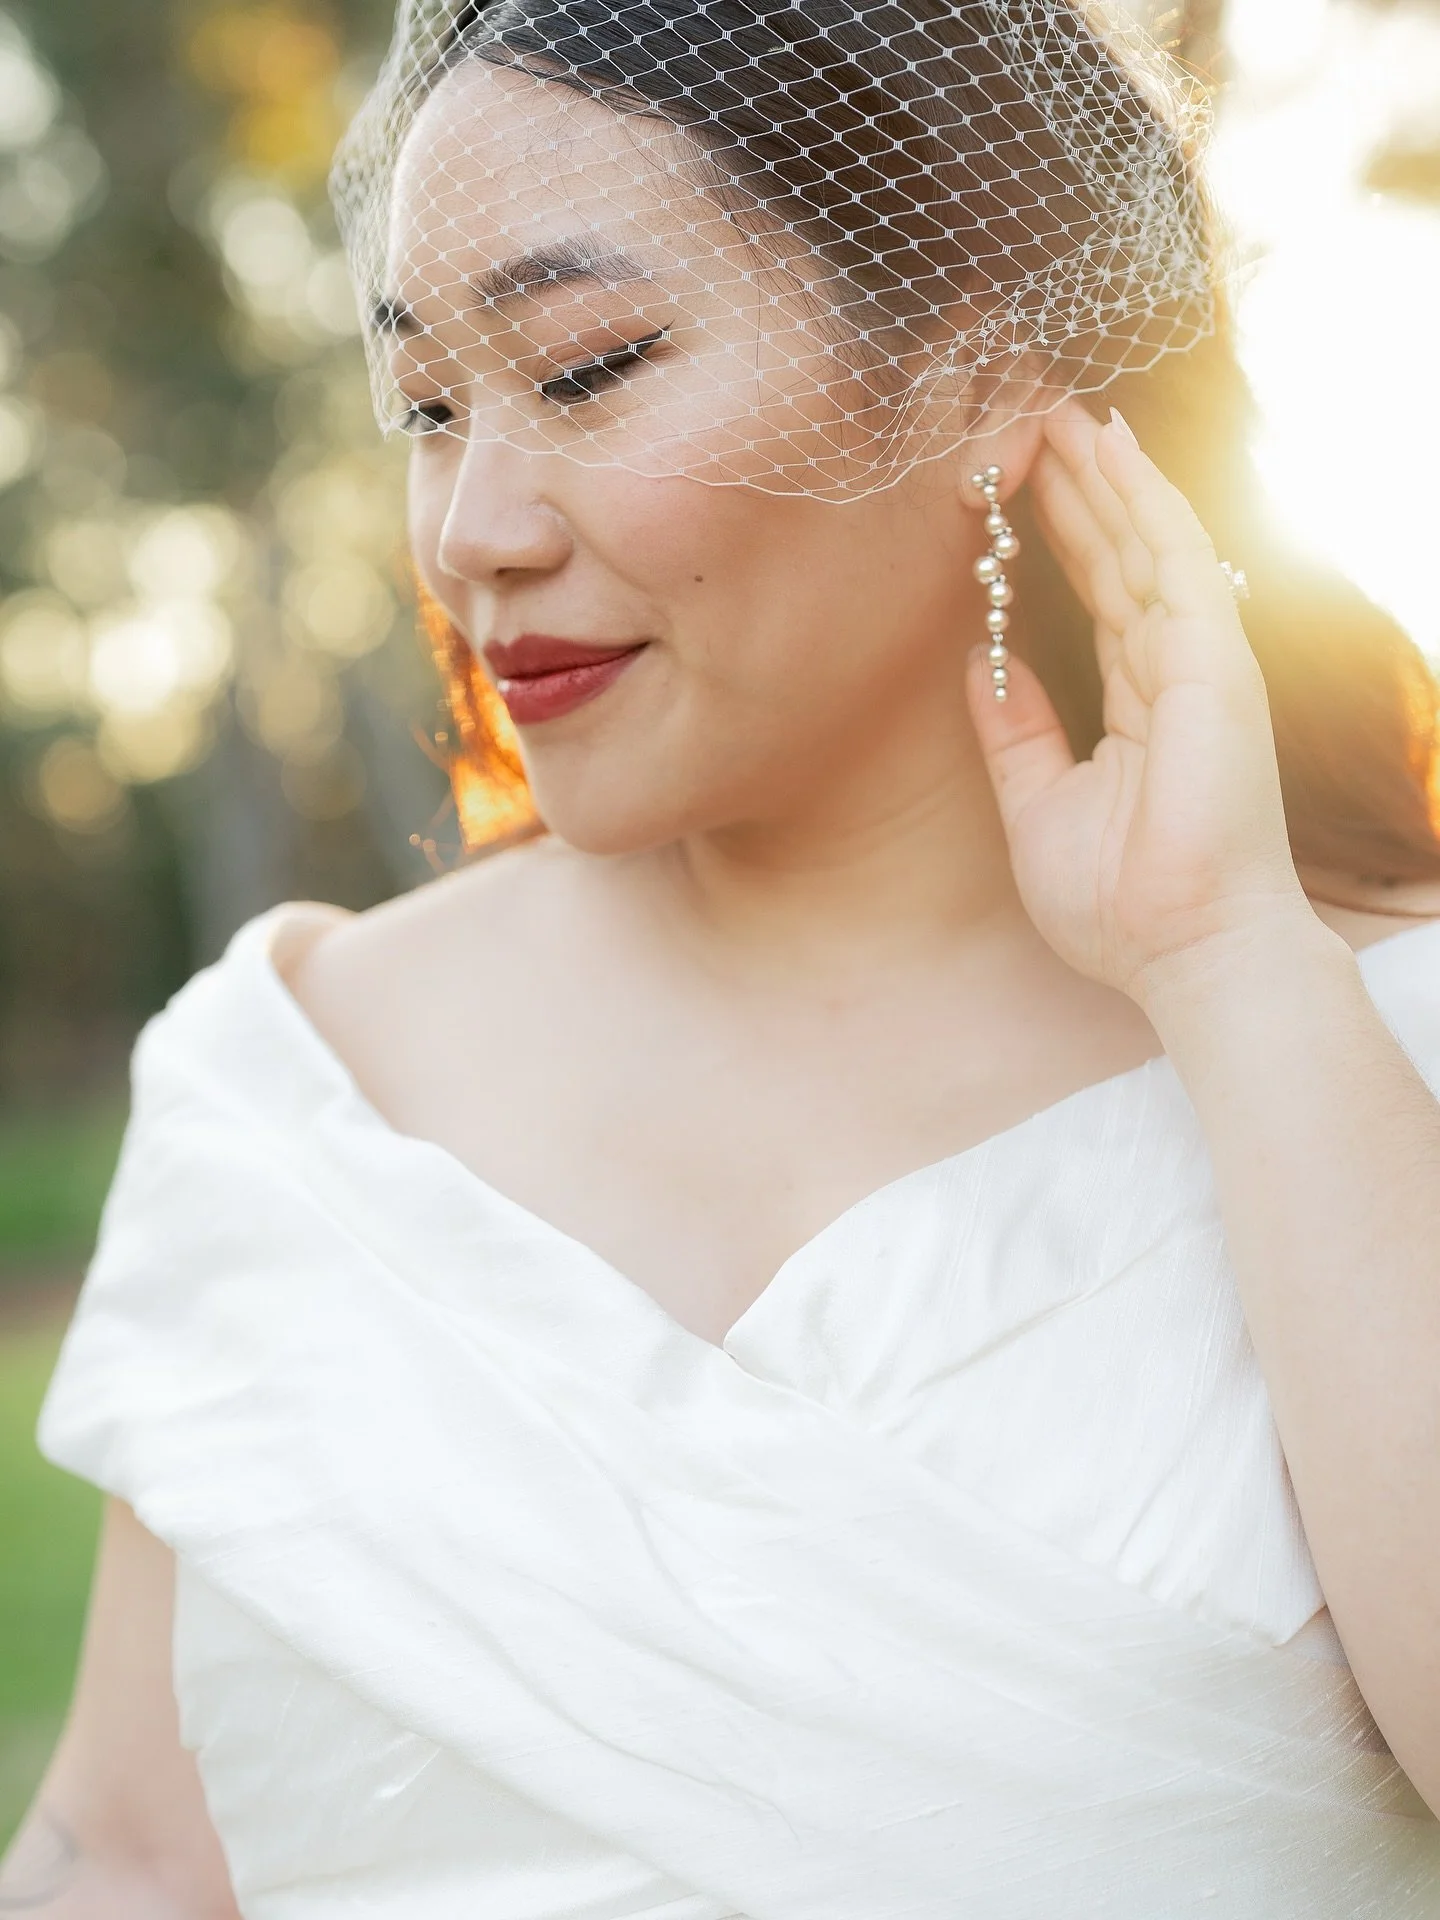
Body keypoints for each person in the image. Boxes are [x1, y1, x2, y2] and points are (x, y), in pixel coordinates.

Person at [5, 1, 1440, 1912]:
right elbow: (124, 1853)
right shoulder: (288, 1085)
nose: (470, 531)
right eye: (428, 405)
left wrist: (1231, 964)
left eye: (586, 369)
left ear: (977, 375)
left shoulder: (1377, 1044)